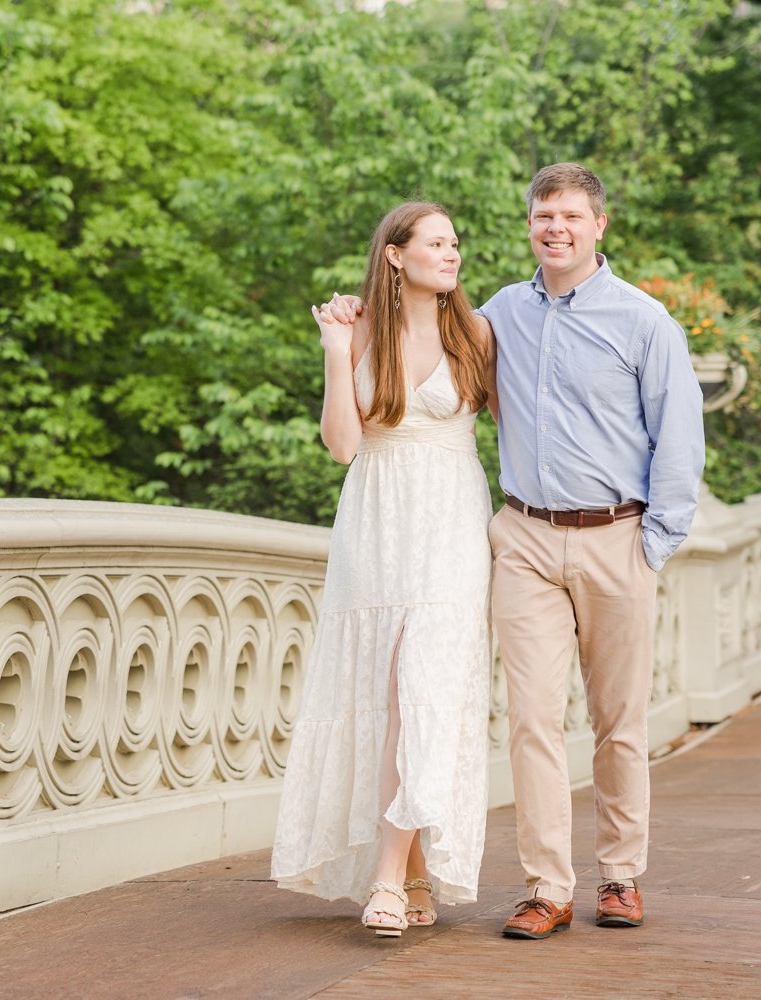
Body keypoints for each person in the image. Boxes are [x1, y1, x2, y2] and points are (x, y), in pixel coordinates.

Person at [320, 164, 704, 939]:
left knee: (618, 721)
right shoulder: (493, 317)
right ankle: (547, 887)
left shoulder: (644, 322)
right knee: (529, 720)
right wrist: (353, 327)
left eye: (569, 215)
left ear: (600, 226)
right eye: (541, 215)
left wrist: (653, 543)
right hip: (523, 536)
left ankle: (620, 876)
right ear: (529, 224)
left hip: (617, 536)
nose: (554, 227)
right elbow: (418, 366)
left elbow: (680, 438)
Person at [269, 201, 496, 938]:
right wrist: (337, 349)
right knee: (390, 693)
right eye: (436, 242)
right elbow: (341, 446)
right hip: (376, 525)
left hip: (452, 525)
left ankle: (388, 879)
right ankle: (415, 870)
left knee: (424, 689)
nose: (451, 252)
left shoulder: (478, 333)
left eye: (455, 242)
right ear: (395, 254)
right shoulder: (362, 328)